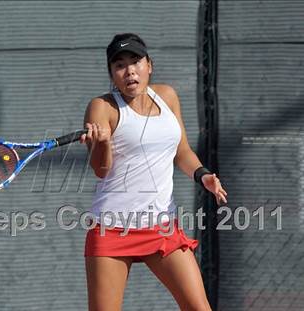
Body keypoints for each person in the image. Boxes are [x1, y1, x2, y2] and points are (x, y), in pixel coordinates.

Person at [79, 33, 228, 311]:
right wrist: (102, 143)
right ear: (112, 74)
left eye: (135, 61)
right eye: (119, 65)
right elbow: (101, 169)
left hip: (162, 227)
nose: (129, 70)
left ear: (149, 65)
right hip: (113, 228)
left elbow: (181, 151)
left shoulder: (167, 96)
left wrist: (202, 175)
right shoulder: (102, 107)